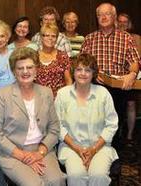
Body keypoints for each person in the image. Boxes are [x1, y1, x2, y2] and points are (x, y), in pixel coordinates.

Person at [0, 47, 65, 186]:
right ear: (14, 71)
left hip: (41, 150)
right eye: (20, 68)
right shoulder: (3, 94)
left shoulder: (46, 92)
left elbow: (54, 129)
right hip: (12, 153)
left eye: (29, 67)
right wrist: (23, 156)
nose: (25, 72)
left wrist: (39, 153)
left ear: (36, 69)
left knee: (57, 180)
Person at [81, 3, 140, 145]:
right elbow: (81, 62)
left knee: (115, 122)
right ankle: (93, 148)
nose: (103, 17)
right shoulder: (90, 38)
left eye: (107, 13)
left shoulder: (126, 38)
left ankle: (113, 151)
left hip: (118, 89)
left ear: (114, 17)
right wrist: (93, 73)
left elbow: (134, 61)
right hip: (95, 85)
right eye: (100, 14)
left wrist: (132, 75)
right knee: (94, 121)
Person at [55, 53, 119, 186]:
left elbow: (111, 125)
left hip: (100, 146)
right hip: (71, 147)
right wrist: (77, 148)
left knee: (98, 176)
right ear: (73, 72)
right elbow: (58, 125)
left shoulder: (103, 93)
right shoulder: (63, 94)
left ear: (93, 73)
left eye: (88, 70)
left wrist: (94, 149)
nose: (83, 73)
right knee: (76, 176)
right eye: (79, 69)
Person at [117, 13, 141, 143]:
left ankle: (130, 135)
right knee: (118, 105)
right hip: (117, 78)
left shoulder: (136, 38)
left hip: (133, 76)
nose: (122, 24)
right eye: (119, 21)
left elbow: (138, 58)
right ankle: (118, 131)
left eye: (125, 22)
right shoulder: (113, 37)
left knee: (131, 104)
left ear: (129, 24)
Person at [35, 23, 72, 97]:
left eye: (53, 36)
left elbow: (68, 81)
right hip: (39, 99)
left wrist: (66, 98)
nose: (50, 38)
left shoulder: (63, 56)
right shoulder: (34, 57)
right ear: (41, 37)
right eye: (47, 35)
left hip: (59, 99)